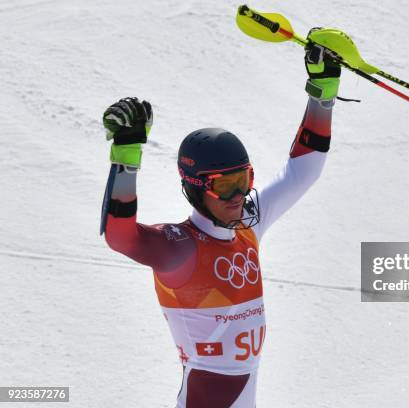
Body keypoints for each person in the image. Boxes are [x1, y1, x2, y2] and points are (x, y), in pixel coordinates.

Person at [101, 31, 341, 408]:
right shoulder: (179, 248)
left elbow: (302, 172)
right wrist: (126, 157)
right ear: (196, 188)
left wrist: (323, 92)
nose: (237, 196)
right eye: (224, 185)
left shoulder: (247, 225)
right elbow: (121, 238)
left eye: (243, 180)